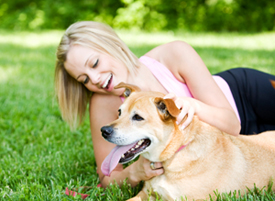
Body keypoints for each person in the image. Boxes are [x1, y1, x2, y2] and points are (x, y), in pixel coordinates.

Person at [55, 21, 275, 188]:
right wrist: (135, 173)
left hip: (243, 95)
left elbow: (232, 125)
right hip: (238, 147)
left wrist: (194, 106)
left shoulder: (173, 54)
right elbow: (106, 177)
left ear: (111, 44)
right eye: (84, 79)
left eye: (94, 63)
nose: (94, 79)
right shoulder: (103, 102)